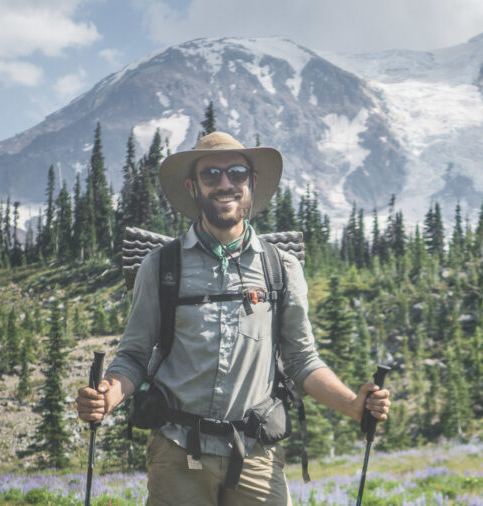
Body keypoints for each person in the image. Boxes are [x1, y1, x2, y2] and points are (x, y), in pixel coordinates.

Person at [76, 131, 390, 505]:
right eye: (211, 175)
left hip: (257, 453)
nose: (224, 184)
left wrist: (354, 405)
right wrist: (107, 397)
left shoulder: (281, 267)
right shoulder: (160, 266)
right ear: (193, 187)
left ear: (251, 183)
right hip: (178, 451)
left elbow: (302, 360)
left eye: (236, 173)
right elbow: (133, 356)